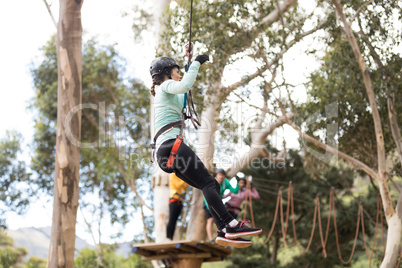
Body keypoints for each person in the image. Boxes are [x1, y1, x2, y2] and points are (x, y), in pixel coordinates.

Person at [149, 50, 262, 248]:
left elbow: (183, 94)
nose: (179, 75)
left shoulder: (165, 93)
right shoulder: (164, 85)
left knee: (210, 185)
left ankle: (223, 230)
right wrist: (196, 64)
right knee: (209, 183)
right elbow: (185, 85)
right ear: (167, 72)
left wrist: (187, 63)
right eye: (176, 72)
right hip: (171, 146)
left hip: (166, 153)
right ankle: (231, 223)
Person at [204, 169, 239, 242]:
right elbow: (206, 194)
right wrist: (210, 207)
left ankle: (220, 237)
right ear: (217, 175)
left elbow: (235, 191)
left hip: (217, 203)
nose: (221, 177)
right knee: (210, 220)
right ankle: (211, 239)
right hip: (208, 202)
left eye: (223, 175)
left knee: (220, 221)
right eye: (219, 175)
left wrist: (237, 182)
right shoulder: (212, 181)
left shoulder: (226, 182)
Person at [166, 173, 189, 240]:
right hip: (173, 199)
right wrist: (185, 178)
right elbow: (178, 185)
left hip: (179, 200)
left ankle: (171, 238)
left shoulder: (180, 176)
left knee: (175, 220)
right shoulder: (173, 174)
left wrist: (187, 180)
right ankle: (168, 237)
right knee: (171, 219)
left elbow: (184, 188)